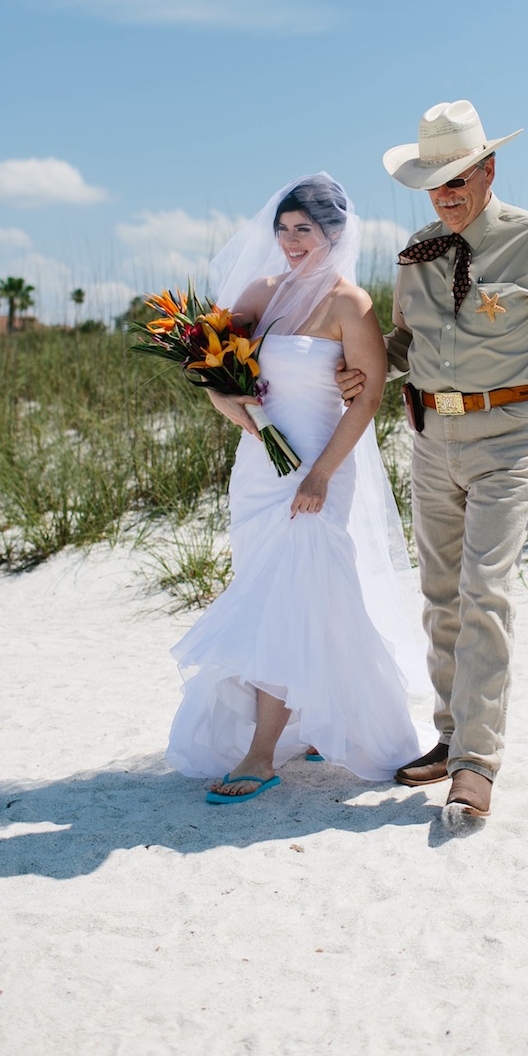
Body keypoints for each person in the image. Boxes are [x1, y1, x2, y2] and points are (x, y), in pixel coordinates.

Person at [338, 101, 528, 822]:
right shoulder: (417, 253)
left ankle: (476, 764)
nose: (446, 193)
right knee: (440, 595)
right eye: (434, 182)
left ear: (489, 170)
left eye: (458, 178)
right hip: (432, 439)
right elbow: (406, 345)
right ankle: (449, 737)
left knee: (484, 589)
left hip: (513, 434)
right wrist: (362, 369)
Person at [165, 173, 428, 803]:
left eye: (303, 230)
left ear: (333, 233)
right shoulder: (261, 292)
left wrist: (317, 474)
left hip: (318, 462)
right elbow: (212, 374)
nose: (289, 241)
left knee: (292, 595)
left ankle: (261, 754)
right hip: (260, 470)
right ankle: (309, 723)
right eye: (282, 229)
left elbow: (366, 401)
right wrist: (249, 422)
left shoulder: (351, 305)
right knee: (286, 597)